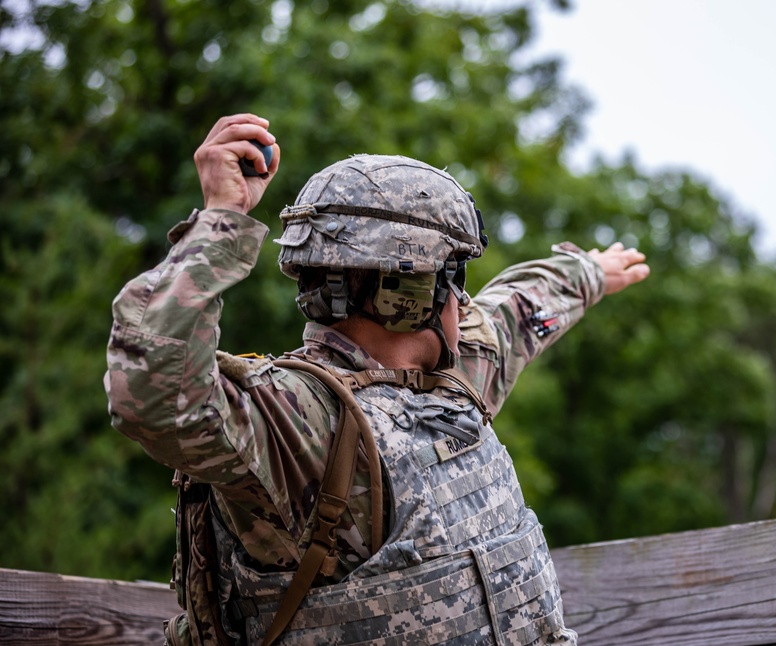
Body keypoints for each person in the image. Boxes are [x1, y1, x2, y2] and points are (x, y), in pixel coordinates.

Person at [105, 114, 649, 645]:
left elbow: (518, 312)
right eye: (453, 276)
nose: (463, 299)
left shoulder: (450, 378)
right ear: (406, 296)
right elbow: (151, 391)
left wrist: (588, 274)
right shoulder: (301, 423)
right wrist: (222, 220)